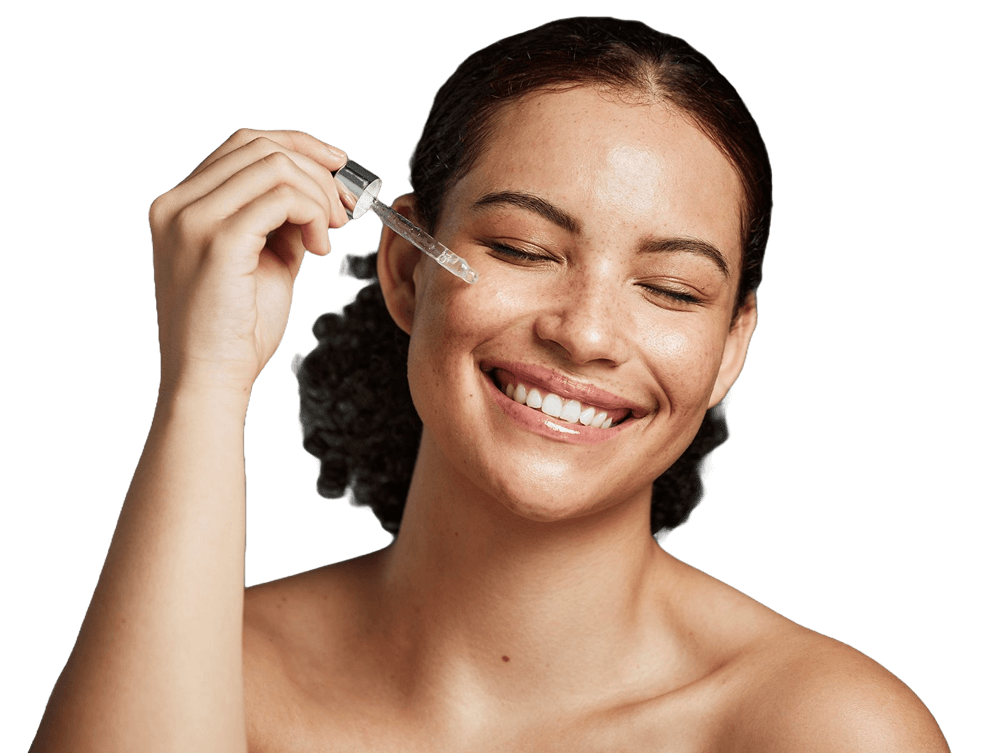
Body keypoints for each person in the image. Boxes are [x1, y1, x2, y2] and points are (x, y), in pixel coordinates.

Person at [30, 17, 949, 752]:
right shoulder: (204, 676)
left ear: (732, 347)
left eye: (671, 289)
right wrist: (205, 381)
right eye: (521, 248)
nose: (584, 331)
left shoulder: (820, 729)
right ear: (403, 267)